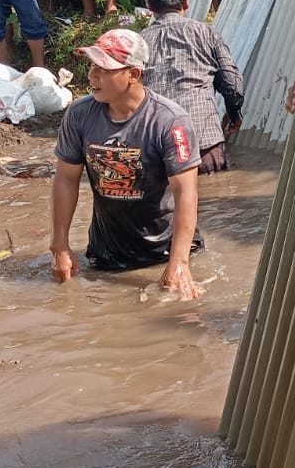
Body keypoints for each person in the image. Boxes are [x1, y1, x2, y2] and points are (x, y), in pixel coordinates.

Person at [50, 28, 203, 298]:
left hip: (164, 252)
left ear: (133, 74)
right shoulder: (79, 115)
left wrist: (179, 263)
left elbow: (186, 193)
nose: (92, 76)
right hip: (106, 253)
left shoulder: (169, 122)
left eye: (104, 69)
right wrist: (60, 245)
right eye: (92, 66)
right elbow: (66, 179)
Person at [139, 0, 245, 174]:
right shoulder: (205, 33)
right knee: (212, 192)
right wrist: (234, 114)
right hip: (203, 142)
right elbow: (232, 82)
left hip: (156, 147)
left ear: (149, 5)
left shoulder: (139, 42)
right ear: (186, 2)